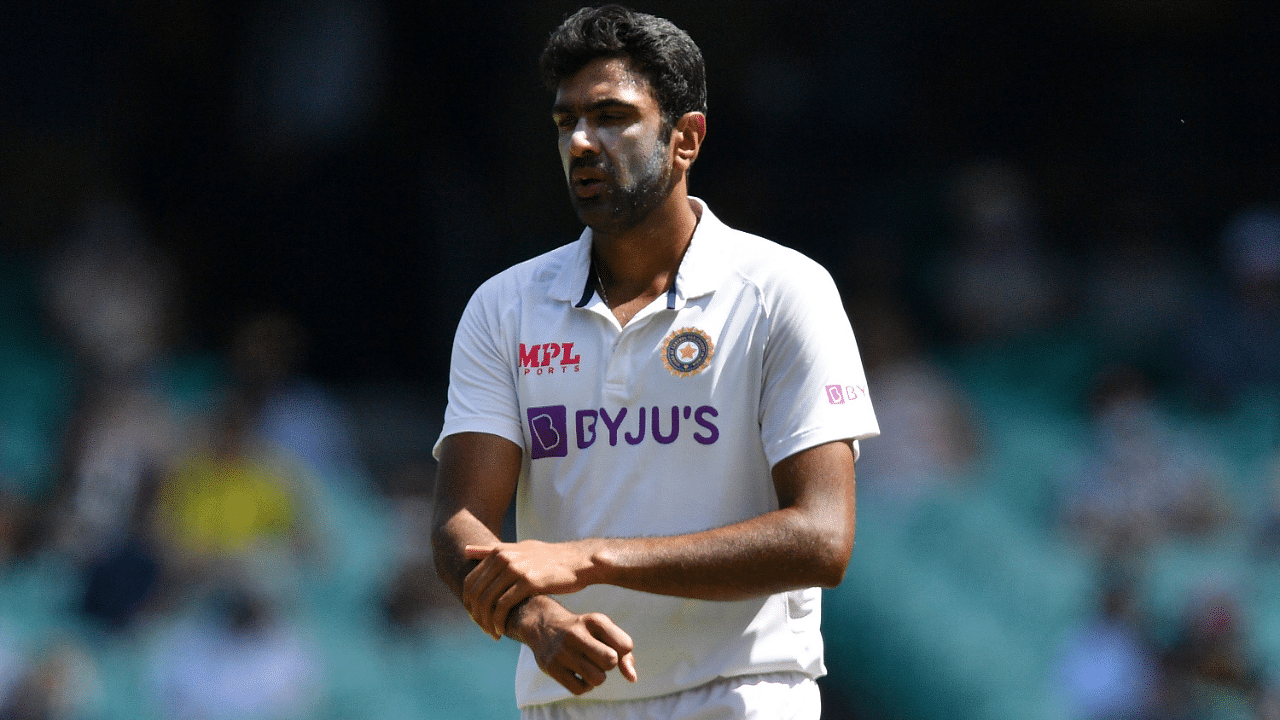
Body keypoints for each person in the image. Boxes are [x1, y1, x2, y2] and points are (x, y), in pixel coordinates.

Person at [430, 6, 879, 719]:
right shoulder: (504, 307)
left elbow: (823, 538)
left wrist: (591, 558)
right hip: (564, 698)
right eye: (564, 121)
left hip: (743, 694)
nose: (581, 142)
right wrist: (539, 621)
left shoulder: (783, 291)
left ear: (686, 138)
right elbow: (461, 522)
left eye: (611, 117)